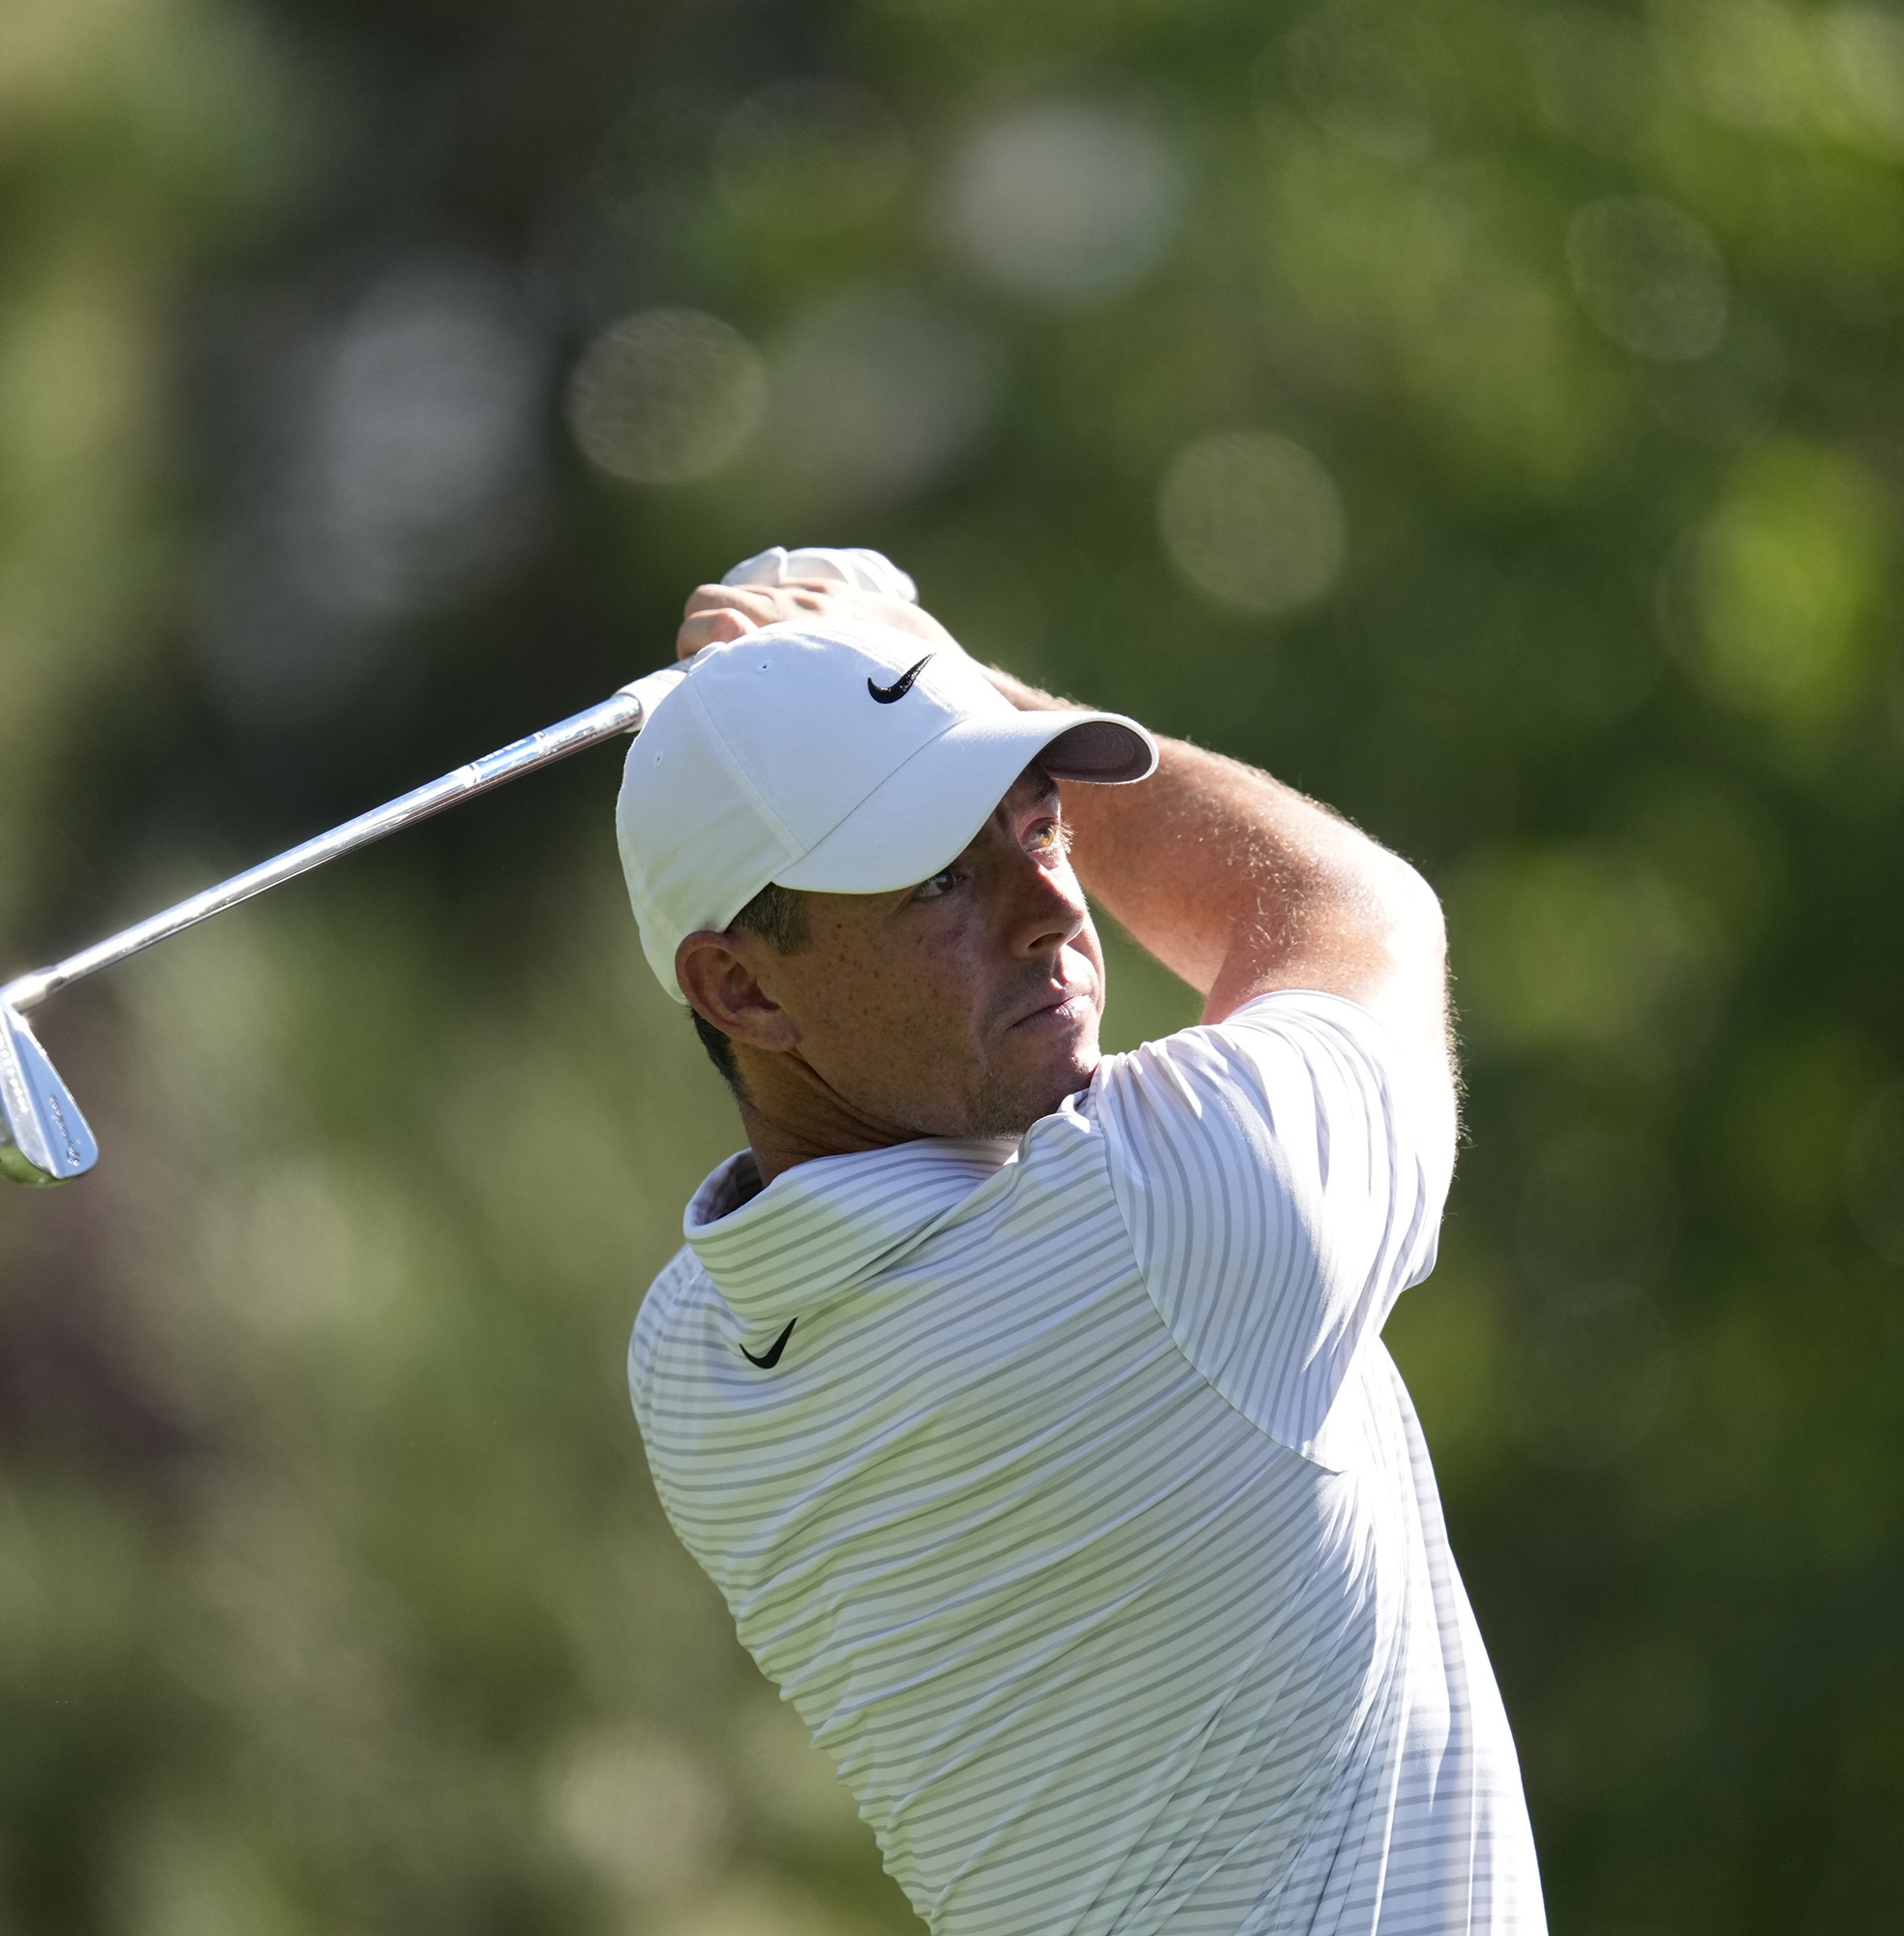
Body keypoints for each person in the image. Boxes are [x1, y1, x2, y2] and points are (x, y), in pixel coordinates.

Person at [618, 547, 1542, 1934]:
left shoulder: (693, 1367)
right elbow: (1356, 913)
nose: (1051, 905)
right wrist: (937, 664)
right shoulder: (1170, 1221)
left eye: (1039, 821)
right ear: (738, 986)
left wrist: (881, 697)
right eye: (935, 878)